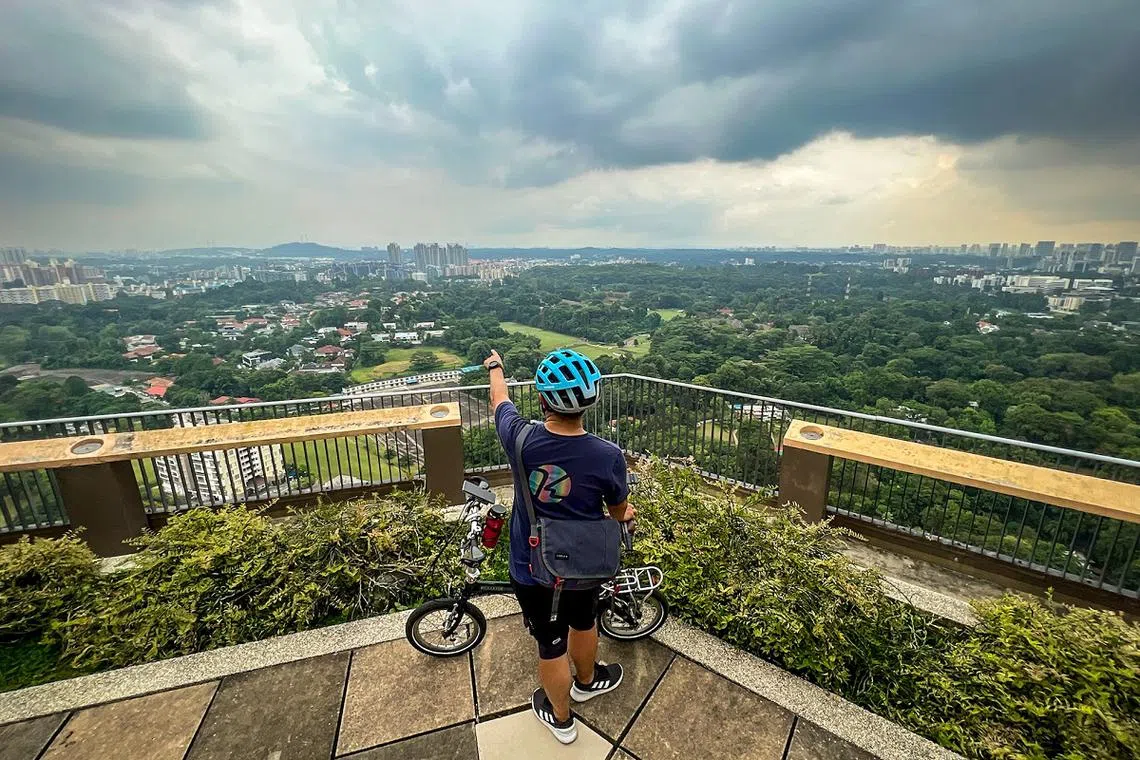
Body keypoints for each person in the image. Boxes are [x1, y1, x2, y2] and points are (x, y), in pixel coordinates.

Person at [485, 347, 635, 744]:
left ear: (541, 399)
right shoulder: (608, 456)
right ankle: (587, 681)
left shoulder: (519, 438)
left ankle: (561, 719)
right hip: (583, 565)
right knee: (584, 621)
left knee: (550, 643)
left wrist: (496, 366)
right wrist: (627, 512)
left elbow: (499, 399)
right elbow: (618, 511)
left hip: (531, 565)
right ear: (590, 401)